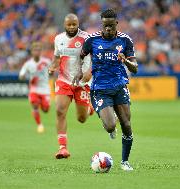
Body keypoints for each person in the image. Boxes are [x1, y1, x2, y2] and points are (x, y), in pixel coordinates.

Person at [73, 9, 138, 171]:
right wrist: (80, 70)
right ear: (101, 24)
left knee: (127, 125)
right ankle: (108, 120)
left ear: (116, 23)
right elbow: (80, 55)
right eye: (105, 25)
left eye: (111, 25)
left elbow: (135, 67)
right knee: (110, 126)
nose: (108, 29)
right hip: (100, 89)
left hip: (119, 87)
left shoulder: (125, 40)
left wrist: (126, 61)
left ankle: (124, 162)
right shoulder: (91, 40)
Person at [48, 14, 93, 159]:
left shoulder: (86, 38)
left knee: (82, 118)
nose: (72, 27)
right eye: (69, 24)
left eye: (75, 24)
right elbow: (56, 57)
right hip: (64, 81)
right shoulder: (58, 39)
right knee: (60, 111)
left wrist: (89, 72)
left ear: (78, 24)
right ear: (64, 25)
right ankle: (63, 148)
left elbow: (95, 58)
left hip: (82, 83)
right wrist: (53, 66)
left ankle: (89, 108)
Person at [19, 42, 52, 133]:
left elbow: (52, 71)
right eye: (35, 50)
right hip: (34, 89)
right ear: (32, 52)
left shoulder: (46, 61)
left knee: (46, 110)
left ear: (40, 51)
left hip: (45, 89)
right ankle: (39, 125)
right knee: (34, 105)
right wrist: (25, 77)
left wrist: (51, 72)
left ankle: (42, 103)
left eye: (38, 50)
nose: (36, 52)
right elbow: (21, 75)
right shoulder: (28, 64)